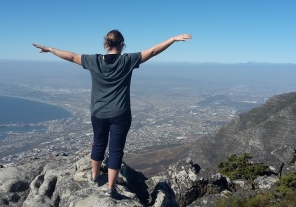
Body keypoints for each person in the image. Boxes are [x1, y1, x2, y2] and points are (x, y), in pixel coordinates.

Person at [32, 30, 192, 197]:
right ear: (121, 44)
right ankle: (110, 188)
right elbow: (153, 51)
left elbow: (71, 56)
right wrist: (173, 39)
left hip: (98, 112)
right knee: (116, 150)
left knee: (98, 143)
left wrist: (50, 49)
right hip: (121, 114)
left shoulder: (93, 60)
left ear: (106, 44)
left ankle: (94, 177)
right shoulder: (127, 60)